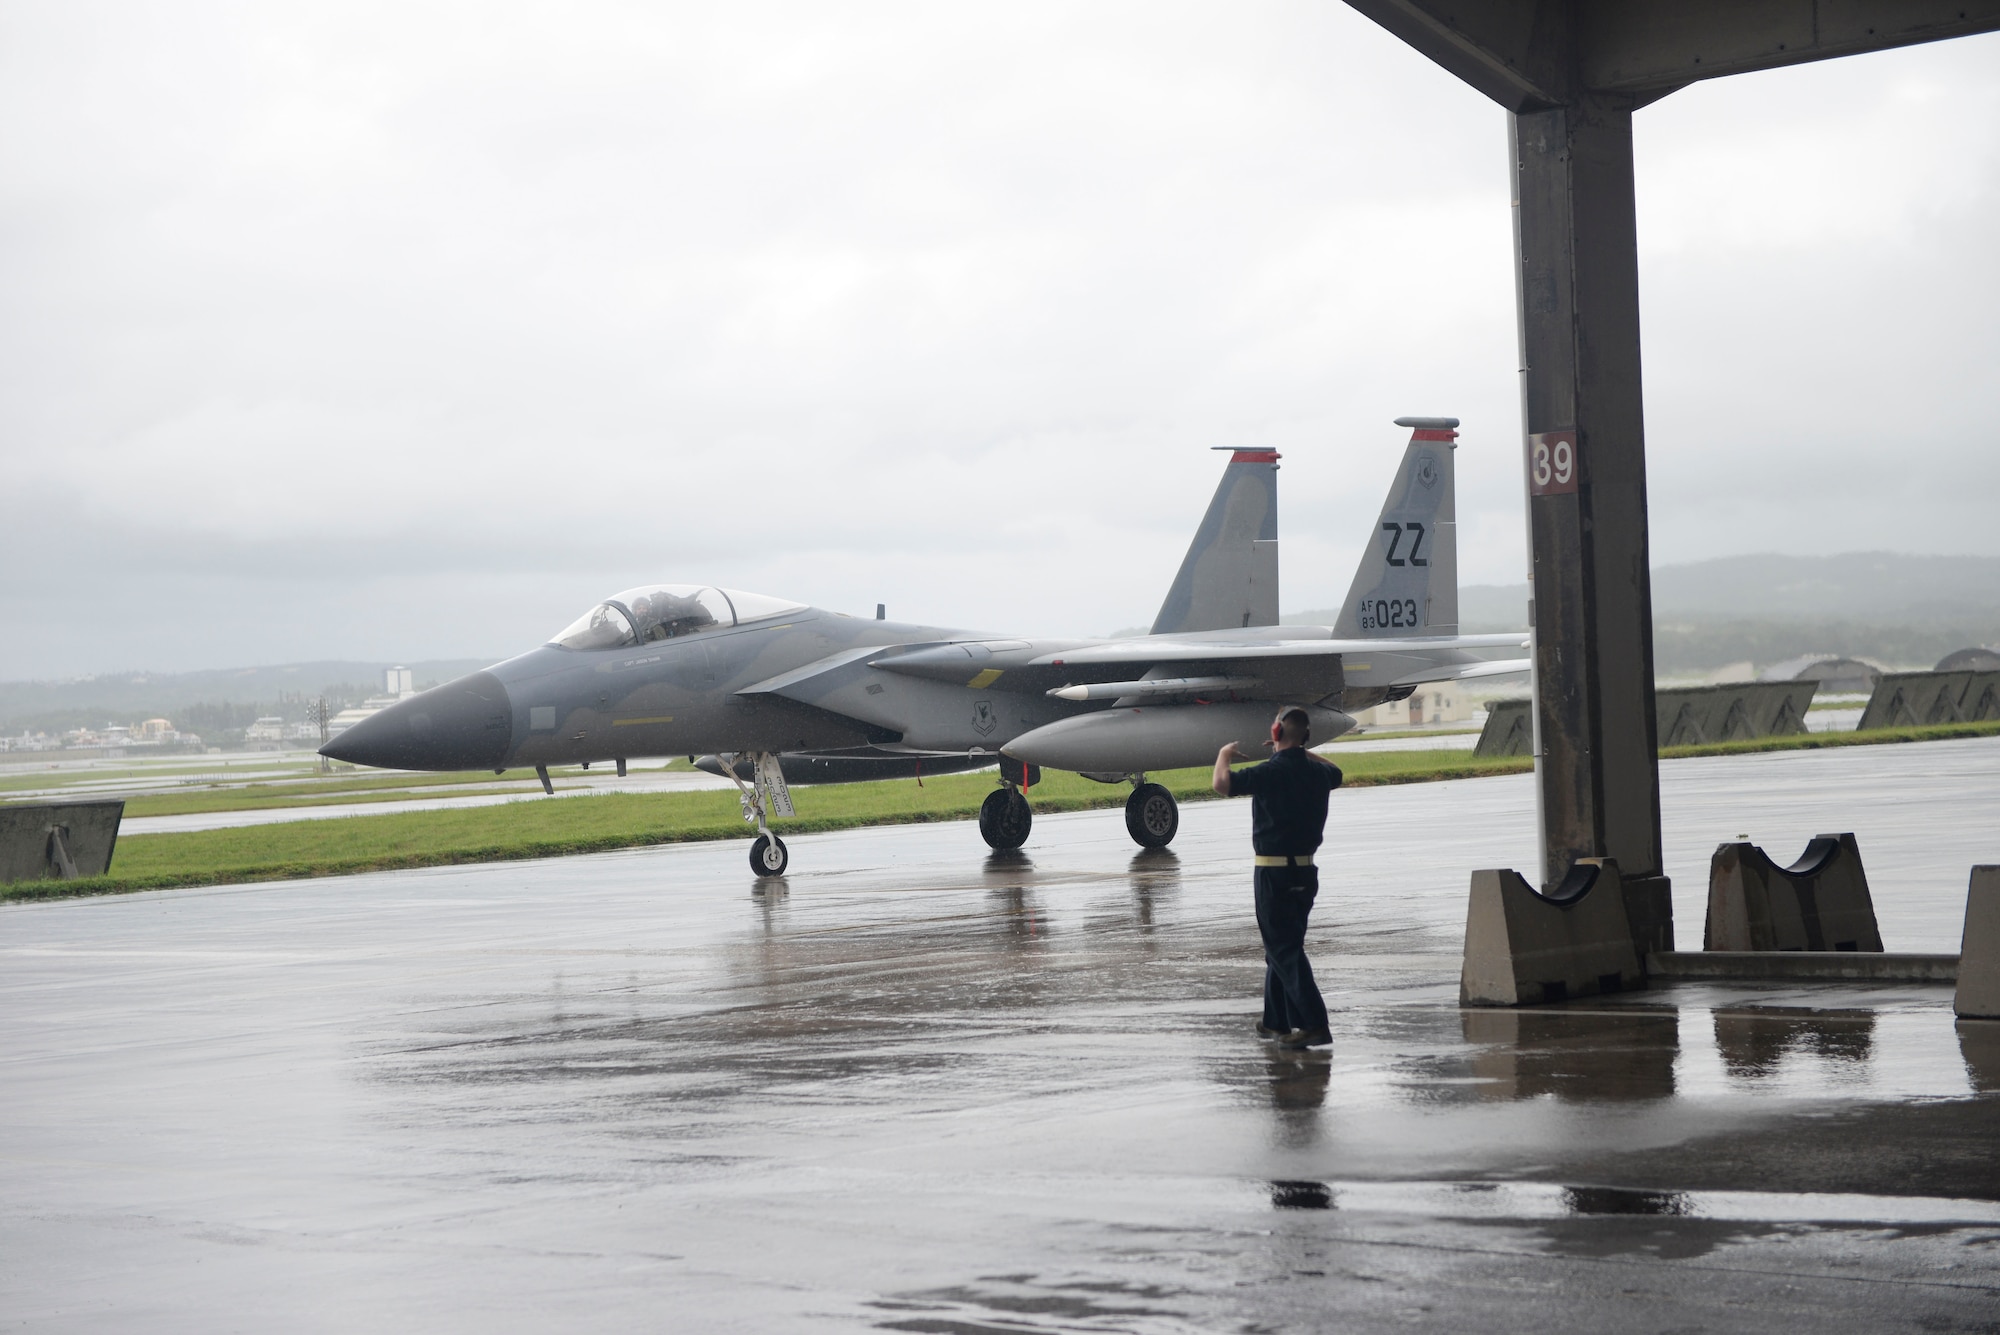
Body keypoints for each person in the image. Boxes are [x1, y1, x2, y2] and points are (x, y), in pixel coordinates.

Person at [1212, 707, 1343, 1050]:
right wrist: (1299, 749)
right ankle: (1276, 1022)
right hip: (1306, 871)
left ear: (1275, 732)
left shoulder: (1270, 773)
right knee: (1282, 948)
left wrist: (1224, 755)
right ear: (1307, 737)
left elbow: (1221, 784)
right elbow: (1336, 771)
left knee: (1283, 949)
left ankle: (1315, 1024)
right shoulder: (1318, 774)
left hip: (1273, 873)